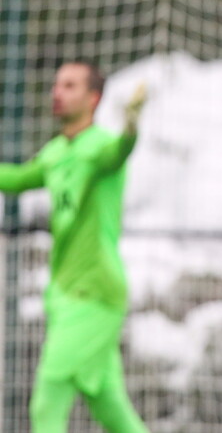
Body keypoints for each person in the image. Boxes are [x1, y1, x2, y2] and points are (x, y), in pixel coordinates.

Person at [0, 62, 149, 433]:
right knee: (113, 412)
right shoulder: (55, 152)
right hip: (65, 293)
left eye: (69, 85)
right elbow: (16, 179)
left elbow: (119, 150)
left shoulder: (99, 146)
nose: (57, 92)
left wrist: (131, 126)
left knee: (47, 403)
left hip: (94, 293)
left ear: (93, 98)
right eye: (56, 85)